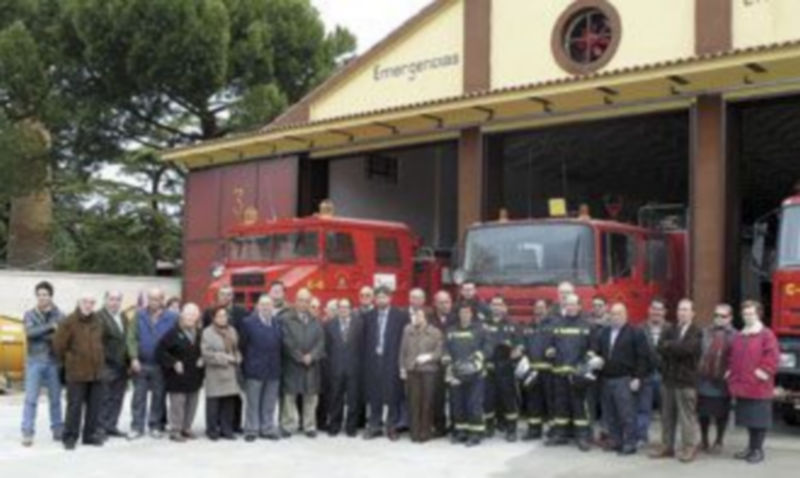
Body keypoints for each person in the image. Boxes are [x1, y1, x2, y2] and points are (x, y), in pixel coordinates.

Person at [650, 299, 702, 463]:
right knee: (667, 417)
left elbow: (689, 350)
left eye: (686, 310)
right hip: (668, 380)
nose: (682, 312)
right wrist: (676, 346)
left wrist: (670, 346)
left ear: (692, 313)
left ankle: (689, 448)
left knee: (687, 418)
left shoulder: (696, 331)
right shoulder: (670, 328)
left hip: (686, 382)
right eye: (680, 309)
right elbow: (659, 346)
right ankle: (667, 447)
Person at [728, 300, 779, 464]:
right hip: (744, 385)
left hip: (759, 386)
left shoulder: (766, 334)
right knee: (750, 419)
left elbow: (772, 358)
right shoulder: (740, 335)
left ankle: (758, 450)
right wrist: (731, 372)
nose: (747, 316)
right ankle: (751, 447)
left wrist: (761, 373)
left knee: (759, 420)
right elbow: (733, 357)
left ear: (758, 314)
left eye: (751, 313)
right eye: (745, 313)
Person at [595, 303, 648, 456]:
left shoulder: (635, 332)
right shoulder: (604, 333)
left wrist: (638, 377)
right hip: (606, 379)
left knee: (627, 414)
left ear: (625, 315)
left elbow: (642, 358)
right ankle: (616, 441)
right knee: (610, 413)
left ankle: (630, 443)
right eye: (612, 314)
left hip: (625, 379)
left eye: (618, 314)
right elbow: (599, 352)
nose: (614, 317)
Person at [53, 294, 105, 450]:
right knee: (74, 406)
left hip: (96, 372)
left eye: (92, 302)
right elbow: (58, 346)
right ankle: (70, 437)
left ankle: (89, 436)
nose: (88, 305)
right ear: (79, 302)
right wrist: (70, 361)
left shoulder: (98, 320)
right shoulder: (68, 322)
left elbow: (103, 342)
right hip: (77, 371)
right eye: (85, 302)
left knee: (94, 406)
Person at [126, 288, 179, 439]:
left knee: (158, 397)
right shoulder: (139, 315)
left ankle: (155, 425)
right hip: (141, 363)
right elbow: (131, 337)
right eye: (151, 298)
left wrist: (171, 360)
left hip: (161, 365)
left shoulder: (173, 317)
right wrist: (133, 357)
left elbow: (176, 339)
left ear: (163, 300)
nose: (153, 302)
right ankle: (136, 426)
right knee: (138, 397)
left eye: (157, 299)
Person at [546, 293, 595, 451]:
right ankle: (561, 434)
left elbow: (592, 349)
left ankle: (582, 437)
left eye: (574, 304)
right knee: (560, 406)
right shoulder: (557, 324)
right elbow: (550, 344)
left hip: (577, 376)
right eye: (568, 304)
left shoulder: (587, 325)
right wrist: (550, 350)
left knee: (579, 406)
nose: (571, 307)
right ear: (564, 306)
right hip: (559, 373)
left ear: (579, 306)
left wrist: (584, 366)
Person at [21, 281, 65, 447]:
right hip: (34, 361)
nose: (42, 297)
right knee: (31, 399)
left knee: (55, 399)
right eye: (39, 295)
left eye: (45, 295)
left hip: (53, 362)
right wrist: (50, 327)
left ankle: (57, 429)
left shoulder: (60, 315)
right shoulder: (29, 314)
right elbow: (30, 333)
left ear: (51, 296)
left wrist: (45, 332)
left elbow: (60, 337)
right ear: (36, 296)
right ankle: (27, 431)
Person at [363, 286, 409, 440]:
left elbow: (404, 340)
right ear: (375, 299)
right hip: (373, 360)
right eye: (379, 297)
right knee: (374, 393)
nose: (381, 300)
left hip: (392, 360)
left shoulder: (400, 316)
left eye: (384, 297)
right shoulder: (368, 316)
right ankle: (374, 425)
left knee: (392, 394)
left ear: (390, 298)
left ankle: (392, 426)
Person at [155, 303, 205, 442]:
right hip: (178, 376)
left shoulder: (200, 333)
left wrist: (203, 358)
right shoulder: (172, 333)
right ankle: (175, 430)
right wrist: (173, 362)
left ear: (197, 317)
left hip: (195, 375)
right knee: (178, 404)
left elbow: (204, 350)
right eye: (188, 314)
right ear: (181, 315)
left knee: (192, 403)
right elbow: (160, 352)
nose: (191, 317)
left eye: (194, 314)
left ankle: (186, 428)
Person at [202, 285, 248, 433]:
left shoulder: (240, 313)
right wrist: (223, 357)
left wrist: (239, 356)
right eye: (223, 294)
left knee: (233, 399)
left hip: (233, 367)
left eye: (229, 294)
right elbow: (204, 345)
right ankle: (213, 428)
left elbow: (240, 342)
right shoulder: (207, 316)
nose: (226, 297)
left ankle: (232, 427)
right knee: (214, 401)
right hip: (216, 368)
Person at [280, 288, 325, 438]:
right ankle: (288, 426)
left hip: (311, 365)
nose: (303, 303)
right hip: (292, 364)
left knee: (311, 397)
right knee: (289, 396)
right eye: (301, 300)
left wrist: (312, 356)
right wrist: (300, 357)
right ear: (295, 301)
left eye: (306, 301)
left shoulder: (315, 320)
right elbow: (286, 341)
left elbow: (321, 341)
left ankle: (309, 426)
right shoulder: (286, 319)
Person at [239, 295, 283, 441]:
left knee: (269, 402)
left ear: (273, 307)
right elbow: (242, 346)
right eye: (263, 304)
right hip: (254, 368)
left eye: (269, 305)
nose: (266, 307)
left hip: (273, 368)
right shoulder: (248, 323)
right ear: (257, 306)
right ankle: (251, 429)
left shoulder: (277, 322)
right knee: (253, 402)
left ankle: (267, 428)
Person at [444, 304, 486, 447]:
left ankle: (476, 433)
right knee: (457, 403)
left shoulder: (480, 330)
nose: (464, 315)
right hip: (456, 373)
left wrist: (478, 359)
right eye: (462, 312)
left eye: (467, 312)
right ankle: (460, 431)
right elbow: (445, 347)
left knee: (473, 404)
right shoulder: (451, 330)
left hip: (475, 374)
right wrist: (446, 357)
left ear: (471, 314)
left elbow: (488, 347)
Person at [399, 308, 443, 443]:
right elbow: (403, 349)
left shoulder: (435, 332)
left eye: (419, 315)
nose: (416, 318)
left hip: (428, 371)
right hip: (412, 369)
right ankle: (415, 432)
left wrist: (429, 357)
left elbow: (440, 351)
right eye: (415, 315)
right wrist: (402, 367)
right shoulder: (408, 330)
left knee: (427, 402)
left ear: (426, 318)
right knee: (413, 402)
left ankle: (425, 432)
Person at [697, 303, 735, 454]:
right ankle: (704, 440)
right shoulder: (705, 331)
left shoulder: (736, 335)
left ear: (730, 318)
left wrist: (731, 371)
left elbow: (737, 358)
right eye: (716, 315)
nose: (719, 318)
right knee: (703, 412)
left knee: (721, 413)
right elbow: (698, 351)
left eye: (723, 316)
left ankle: (719, 440)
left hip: (723, 379)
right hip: (705, 378)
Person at [482, 295, 522, 442]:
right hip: (488, 367)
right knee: (488, 399)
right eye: (494, 304)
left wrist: (517, 351)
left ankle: (511, 429)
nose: (496, 307)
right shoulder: (483, 324)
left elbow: (520, 344)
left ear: (504, 307)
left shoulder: (512, 324)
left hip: (506, 369)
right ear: (490, 307)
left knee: (508, 399)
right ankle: (489, 427)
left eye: (499, 304)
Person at [324, 298, 364, 437]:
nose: (343, 310)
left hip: (354, 368)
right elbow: (327, 348)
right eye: (340, 307)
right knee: (335, 398)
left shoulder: (359, 324)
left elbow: (362, 346)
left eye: (346, 307)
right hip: (335, 367)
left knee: (353, 399)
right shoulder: (329, 325)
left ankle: (351, 427)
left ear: (350, 309)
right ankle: (334, 425)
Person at [637, 298, 670, 446]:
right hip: (646, 375)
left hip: (665, 376)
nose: (656, 312)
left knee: (667, 411)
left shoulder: (671, 329)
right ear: (649, 310)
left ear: (664, 312)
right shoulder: (639, 328)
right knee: (643, 409)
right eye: (654, 308)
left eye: (660, 309)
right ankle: (641, 438)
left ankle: (667, 440)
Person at [522, 299, 556, 441]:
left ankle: (554, 430)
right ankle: (534, 429)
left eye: (542, 307)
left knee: (551, 402)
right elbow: (523, 344)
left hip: (549, 371)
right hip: (533, 370)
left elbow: (559, 343)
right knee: (533, 402)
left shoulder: (554, 325)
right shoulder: (528, 326)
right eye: (537, 307)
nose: (539, 310)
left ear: (547, 309)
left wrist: (554, 349)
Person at [97, 291, 129, 440]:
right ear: (105, 300)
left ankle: (111, 426)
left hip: (122, 365)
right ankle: (100, 428)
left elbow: (126, 339)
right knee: (104, 398)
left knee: (117, 397)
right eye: (111, 299)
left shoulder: (122, 316)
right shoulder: (99, 317)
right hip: (106, 365)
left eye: (117, 300)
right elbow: (98, 343)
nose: (114, 302)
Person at [429, 290, 455, 436]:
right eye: (441, 302)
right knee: (437, 396)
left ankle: (456, 424)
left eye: (447, 302)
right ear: (435, 304)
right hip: (436, 363)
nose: (444, 305)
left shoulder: (457, 318)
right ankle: (439, 426)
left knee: (455, 396)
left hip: (453, 362)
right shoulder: (429, 318)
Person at [316, 299, 339, 433]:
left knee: (334, 395)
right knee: (324, 395)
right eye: (331, 309)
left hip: (336, 364)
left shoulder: (340, 325)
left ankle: (333, 419)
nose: (333, 312)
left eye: (335, 309)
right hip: (324, 365)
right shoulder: (323, 325)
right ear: (326, 311)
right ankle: (322, 421)